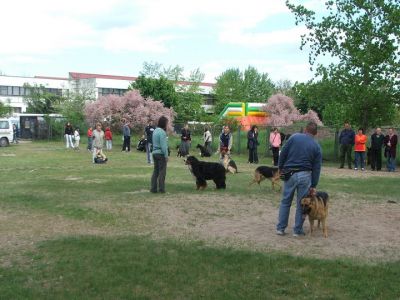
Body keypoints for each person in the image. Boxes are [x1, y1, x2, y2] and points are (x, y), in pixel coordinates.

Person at [276, 122, 322, 237]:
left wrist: (280, 167)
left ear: (305, 129)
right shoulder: (316, 146)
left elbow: (283, 153)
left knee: (285, 201)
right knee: (302, 204)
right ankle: (297, 230)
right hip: (305, 175)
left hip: (289, 173)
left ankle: (281, 229)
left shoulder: (294, 137)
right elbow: (317, 168)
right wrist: (313, 185)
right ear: (315, 133)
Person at [150, 116, 169, 193]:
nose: (167, 125)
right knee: (162, 172)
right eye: (167, 123)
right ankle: (161, 189)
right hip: (161, 154)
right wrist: (166, 156)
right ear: (164, 123)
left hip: (154, 153)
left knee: (156, 171)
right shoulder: (162, 132)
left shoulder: (155, 131)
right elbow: (163, 146)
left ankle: (153, 188)